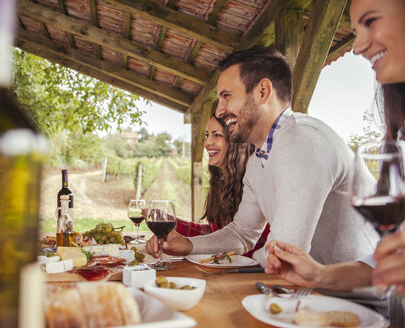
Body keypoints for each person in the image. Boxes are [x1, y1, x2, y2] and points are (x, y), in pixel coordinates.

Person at [146, 46, 379, 266]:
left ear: (263, 92)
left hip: (366, 299)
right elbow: (242, 233)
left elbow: (284, 252)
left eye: (227, 96)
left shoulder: (301, 139)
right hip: (317, 293)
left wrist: (254, 258)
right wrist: (187, 245)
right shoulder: (258, 161)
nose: (219, 109)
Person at [265, 0, 405, 293]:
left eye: (371, 21)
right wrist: (319, 274)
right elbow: (388, 261)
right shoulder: (399, 132)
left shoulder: (303, 140)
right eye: (355, 31)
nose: (358, 46)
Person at [148, 115, 270, 258]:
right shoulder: (220, 181)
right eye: (207, 135)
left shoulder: (258, 181)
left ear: (237, 142)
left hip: (253, 274)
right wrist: (174, 225)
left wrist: (187, 245)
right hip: (226, 272)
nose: (208, 142)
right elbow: (215, 235)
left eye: (217, 135)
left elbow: (249, 242)